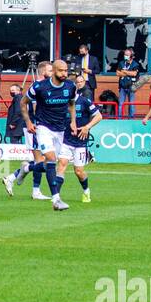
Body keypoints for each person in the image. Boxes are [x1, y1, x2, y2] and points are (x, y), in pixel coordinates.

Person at [22, 59, 73, 211]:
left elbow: (71, 103)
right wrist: (29, 122)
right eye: (61, 71)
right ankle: (56, 199)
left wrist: (74, 122)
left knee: (50, 164)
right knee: (50, 158)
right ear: (54, 71)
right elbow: (23, 102)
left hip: (60, 129)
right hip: (43, 127)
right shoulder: (39, 87)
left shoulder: (70, 86)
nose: (65, 73)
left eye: (66, 71)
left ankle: (24, 170)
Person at [2, 61, 51, 200]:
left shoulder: (44, 86)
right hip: (35, 127)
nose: (52, 73)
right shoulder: (37, 86)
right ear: (43, 72)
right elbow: (33, 107)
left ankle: (15, 175)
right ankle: (36, 191)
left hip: (41, 127)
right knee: (40, 160)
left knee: (45, 159)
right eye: (50, 70)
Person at [57, 73, 103, 205]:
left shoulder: (84, 101)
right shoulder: (63, 102)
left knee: (79, 171)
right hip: (66, 140)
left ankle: (86, 191)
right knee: (61, 165)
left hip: (80, 142)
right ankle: (56, 196)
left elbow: (99, 116)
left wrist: (87, 127)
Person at [116, 47, 141, 117]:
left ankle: (131, 119)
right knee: (121, 104)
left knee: (131, 104)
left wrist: (124, 71)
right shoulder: (121, 63)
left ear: (131, 56)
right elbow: (117, 73)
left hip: (131, 87)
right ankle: (119, 119)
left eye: (127, 55)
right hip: (122, 87)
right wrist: (127, 73)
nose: (125, 56)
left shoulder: (135, 64)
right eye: (125, 54)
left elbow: (134, 74)